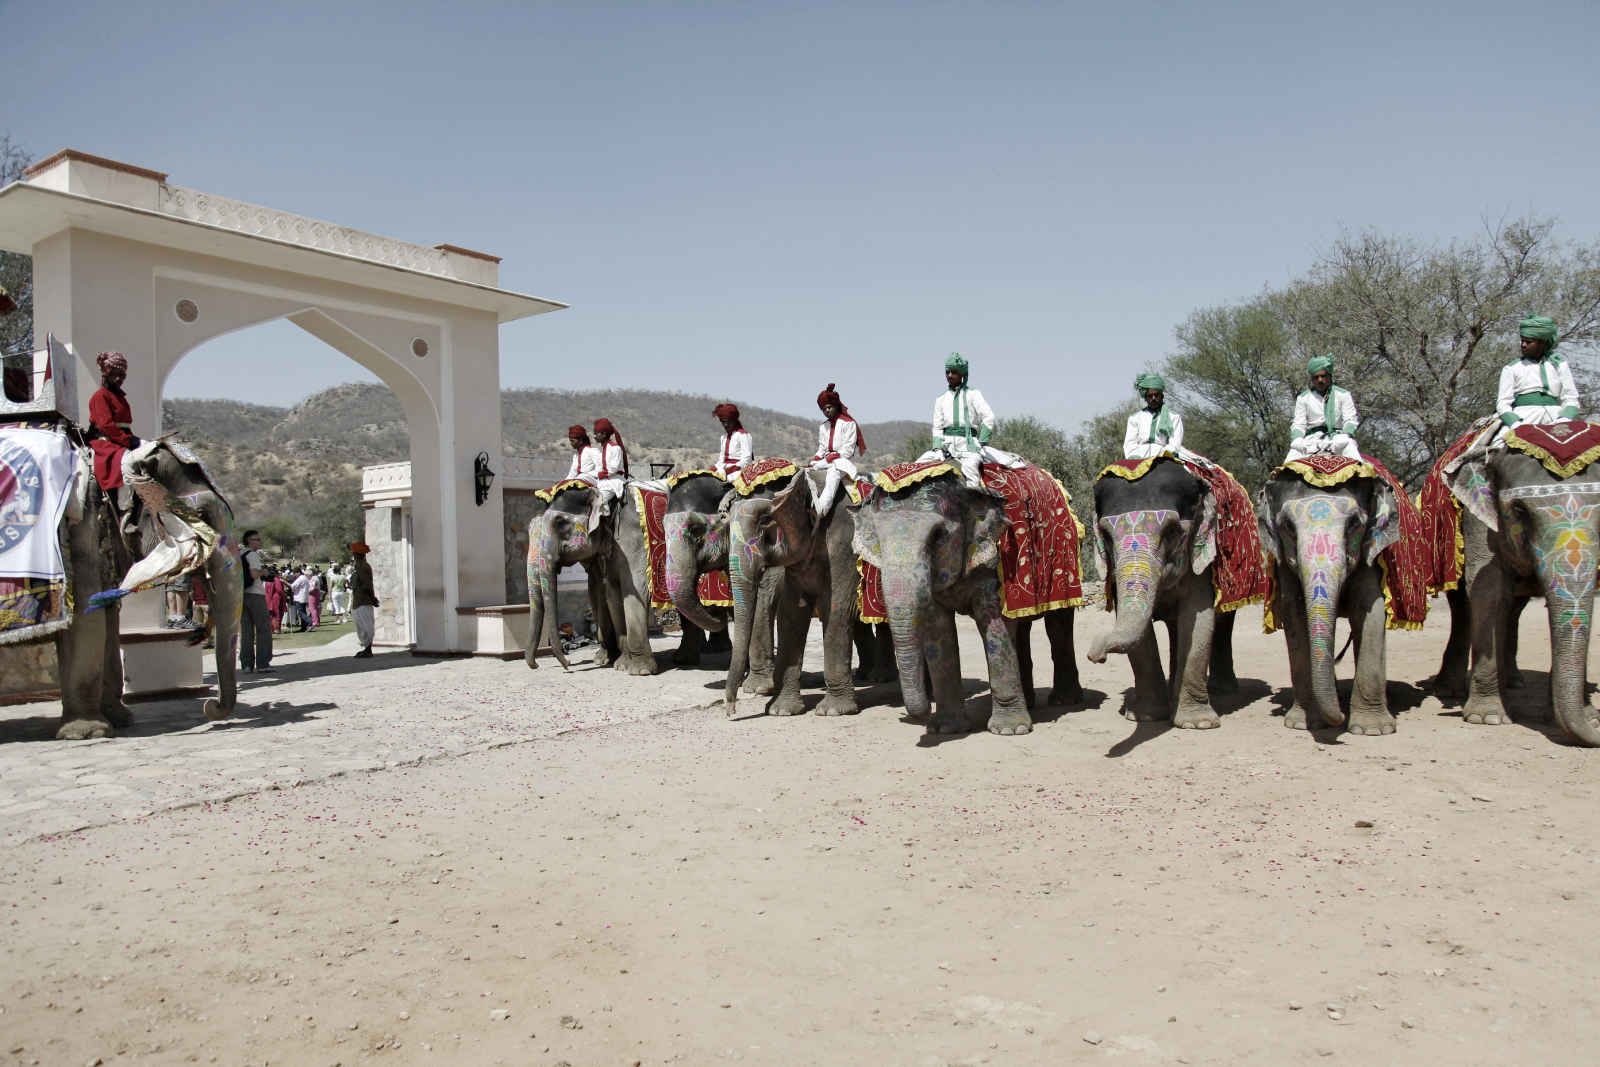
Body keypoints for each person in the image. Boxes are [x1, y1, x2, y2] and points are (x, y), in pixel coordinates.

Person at [917, 352, 1024, 487]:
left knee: (969, 467)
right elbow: (937, 427)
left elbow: (988, 416)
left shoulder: (973, 394)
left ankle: (974, 502)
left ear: (962, 374)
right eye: (947, 372)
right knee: (918, 465)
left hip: (968, 447)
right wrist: (937, 447)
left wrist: (982, 441)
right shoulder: (940, 399)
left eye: (954, 372)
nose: (949, 375)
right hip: (945, 447)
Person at [1495, 315, 1579, 439]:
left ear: (1542, 343)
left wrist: (1564, 419)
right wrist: (1515, 424)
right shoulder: (1511, 368)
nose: (1523, 345)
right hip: (1523, 418)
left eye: (1528, 342)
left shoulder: (1560, 365)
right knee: (1497, 447)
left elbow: (1571, 398)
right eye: (1522, 340)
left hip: (1557, 419)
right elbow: (1502, 403)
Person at [87, 351, 142, 536]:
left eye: (123, 375)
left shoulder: (120, 397)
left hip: (122, 439)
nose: (120, 379)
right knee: (126, 462)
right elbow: (106, 426)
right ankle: (124, 512)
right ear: (106, 374)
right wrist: (128, 441)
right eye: (116, 374)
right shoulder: (100, 396)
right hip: (107, 442)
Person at [1286, 355, 1361, 461]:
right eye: (1316, 377)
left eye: (1323, 376)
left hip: (1338, 440)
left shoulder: (1343, 395)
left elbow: (1351, 420)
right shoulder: (1303, 398)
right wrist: (1297, 439)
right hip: (1312, 441)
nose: (1320, 380)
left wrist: (1346, 435)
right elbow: (1298, 424)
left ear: (1329, 376)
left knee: (1354, 458)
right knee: (1291, 459)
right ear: (1312, 379)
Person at [809, 383, 865, 516]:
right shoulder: (823, 427)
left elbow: (848, 450)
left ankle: (821, 510)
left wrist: (833, 457)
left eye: (829, 407)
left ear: (835, 406)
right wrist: (816, 458)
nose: (827, 411)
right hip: (824, 461)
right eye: (824, 409)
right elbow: (821, 448)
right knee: (805, 473)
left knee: (833, 475)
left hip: (841, 462)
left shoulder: (849, 423)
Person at [1123, 372, 1185, 460]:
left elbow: (1175, 443)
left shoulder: (1174, 417)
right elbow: (1129, 444)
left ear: (1162, 396)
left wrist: (1163, 455)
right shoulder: (1134, 418)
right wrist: (1134, 456)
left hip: (1164, 457)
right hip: (1138, 457)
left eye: (1156, 395)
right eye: (1150, 396)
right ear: (1145, 398)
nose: (1153, 398)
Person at [238, 530, 274, 674]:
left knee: (246, 631)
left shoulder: (239, 554)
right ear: (249, 540)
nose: (259, 542)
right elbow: (254, 574)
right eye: (256, 539)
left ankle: (246, 664)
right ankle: (263, 663)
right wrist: (263, 572)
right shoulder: (252, 555)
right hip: (255, 594)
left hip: (241, 594)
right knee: (263, 629)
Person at [591, 417, 629, 515]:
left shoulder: (615, 448)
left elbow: (612, 469)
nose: (594, 436)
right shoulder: (601, 449)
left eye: (596, 433)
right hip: (603, 481)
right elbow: (599, 468)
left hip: (613, 482)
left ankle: (605, 523)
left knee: (599, 502)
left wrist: (599, 474)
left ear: (604, 434)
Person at [350, 541, 379, 658]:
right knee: (360, 625)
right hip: (358, 600)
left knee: (367, 626)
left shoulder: (363, 567)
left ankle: (368, 649)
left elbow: (367, 584)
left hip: (364, 600)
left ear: (357, 554)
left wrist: (372, 598)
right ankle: (366, 648)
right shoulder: (358, 566)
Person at [712, 402, 753, 478]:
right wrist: (711, 470)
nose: (726, 425)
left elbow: (746, 460)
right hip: (723, 470)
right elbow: (721, 461)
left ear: (734, 421)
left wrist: (729, 470)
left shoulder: (743, 435)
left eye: (728, 422)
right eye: (723, 422)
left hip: (739, 471)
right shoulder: (723, 438)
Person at [289, 566, 311, 633]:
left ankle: (311, 622)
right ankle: (303, 627)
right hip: (304, 597)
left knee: (301, 613)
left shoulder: (300, 578)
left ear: (298, 572)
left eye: (295, 573)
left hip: (299, 598)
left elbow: (292, 586)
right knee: (303, 612)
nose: (294, 575)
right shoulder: (305, 578)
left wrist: (284, 581)